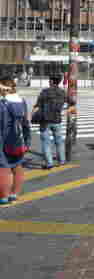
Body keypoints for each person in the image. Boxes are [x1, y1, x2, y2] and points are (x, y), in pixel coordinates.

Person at [0, 76, 31, 204]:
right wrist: (27, 140)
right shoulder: (21, 101)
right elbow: (25, 123)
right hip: (18, 139)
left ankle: (3, 196)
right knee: (17, 165)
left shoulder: (2, 103)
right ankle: (14, 193)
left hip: (2, 139)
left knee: (3, 167)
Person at [33, 75, 68, 169]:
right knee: (59, 141)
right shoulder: (62, 92)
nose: (49, 81)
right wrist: (64, 111)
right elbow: (72, 103)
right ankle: (62, 161)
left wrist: (30, 116)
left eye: (50, 80)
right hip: (57, 120)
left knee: (46, 142)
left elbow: (37, 105)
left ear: (52, 81)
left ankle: (49, 163)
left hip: (45, 120)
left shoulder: (45, 92)